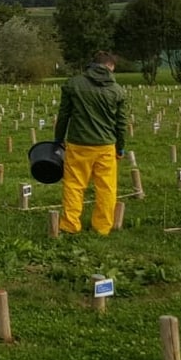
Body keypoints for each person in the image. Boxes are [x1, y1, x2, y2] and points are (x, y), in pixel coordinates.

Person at [54, 50, 127, 236]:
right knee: (106, 188)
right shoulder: (118, 91)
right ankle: (102, 227)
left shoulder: (73, 84)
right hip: (106, 146)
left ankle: (70, 225)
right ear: (110, 67)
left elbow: (63, 116)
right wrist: (120, 148)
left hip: (78, 143)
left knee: (74, 185)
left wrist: (58, 140)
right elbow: (121, 124)